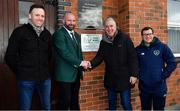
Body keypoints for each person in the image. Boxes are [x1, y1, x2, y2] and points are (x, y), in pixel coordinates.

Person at [5, 4, 52, 110]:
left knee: (47, 107)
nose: (40, 18)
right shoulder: (19, 32)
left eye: (42, 16)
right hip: (26, 80)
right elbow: (10, 56)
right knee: (25, 108)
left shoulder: (47, 34)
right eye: (37, 15)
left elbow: (49, 55)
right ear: (30, 15)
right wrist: (21, 71)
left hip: (45, 79)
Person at [88, 17, 139, 110]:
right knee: (111, 103)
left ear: (116, 27)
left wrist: (134, 74)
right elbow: (99, 57)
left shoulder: (125, 38)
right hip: (111, 78)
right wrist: (90, 64)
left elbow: (133, 57)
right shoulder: (103, 42)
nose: (109, 28)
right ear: (104, 28)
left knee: (126, 103)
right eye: (107, 26)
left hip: (124, 78)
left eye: (111, 26)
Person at [53, 13, 88, 110]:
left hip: (76, 74)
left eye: (73, 21)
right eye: (69, 20)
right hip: (64, 75)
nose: (71, 23)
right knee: (64, 102)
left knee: (74, 101)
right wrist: (81, 63)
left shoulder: (77, 35)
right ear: (63, 21)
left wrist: (82, 67)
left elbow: (79, 53)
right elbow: (65, 53)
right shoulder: (59, 34)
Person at [136, 26, 177, 110]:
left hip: (159, 87)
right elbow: (134, 65)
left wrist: (163, 75)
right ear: (142, 36)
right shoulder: (138, 50)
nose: (148, 36)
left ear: (153, 34)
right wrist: (139, 75)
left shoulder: (162, 47)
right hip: (144, 88)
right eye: (145, 35)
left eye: (150, 34)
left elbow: (172, 62)